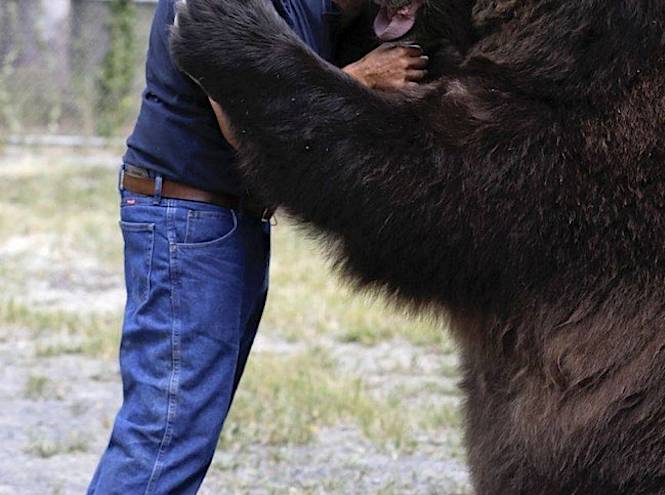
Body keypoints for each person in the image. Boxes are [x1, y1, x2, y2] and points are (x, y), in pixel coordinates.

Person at [87, 1, 426, 493]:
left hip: (224, 220)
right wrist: (360, 80)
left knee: (181, 432)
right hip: (189, 220)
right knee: (165, 436)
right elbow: (242, 124)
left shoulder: (319, 13)